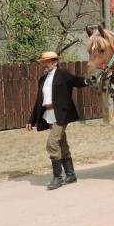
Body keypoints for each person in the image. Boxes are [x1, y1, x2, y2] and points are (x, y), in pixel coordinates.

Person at [26, 51, 88, 190]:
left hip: (62, 114)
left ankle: (57, 177)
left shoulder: (63, 73)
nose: (44, 64)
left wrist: (88, 80)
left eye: (46, 61)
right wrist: (31, 120)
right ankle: (71, 175)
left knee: (52, 143)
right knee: (62, 143)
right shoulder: (42, 79)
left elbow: (77, 81)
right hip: (49, 115)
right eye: (43, 62)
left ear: (55, 62)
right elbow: (39, 101)